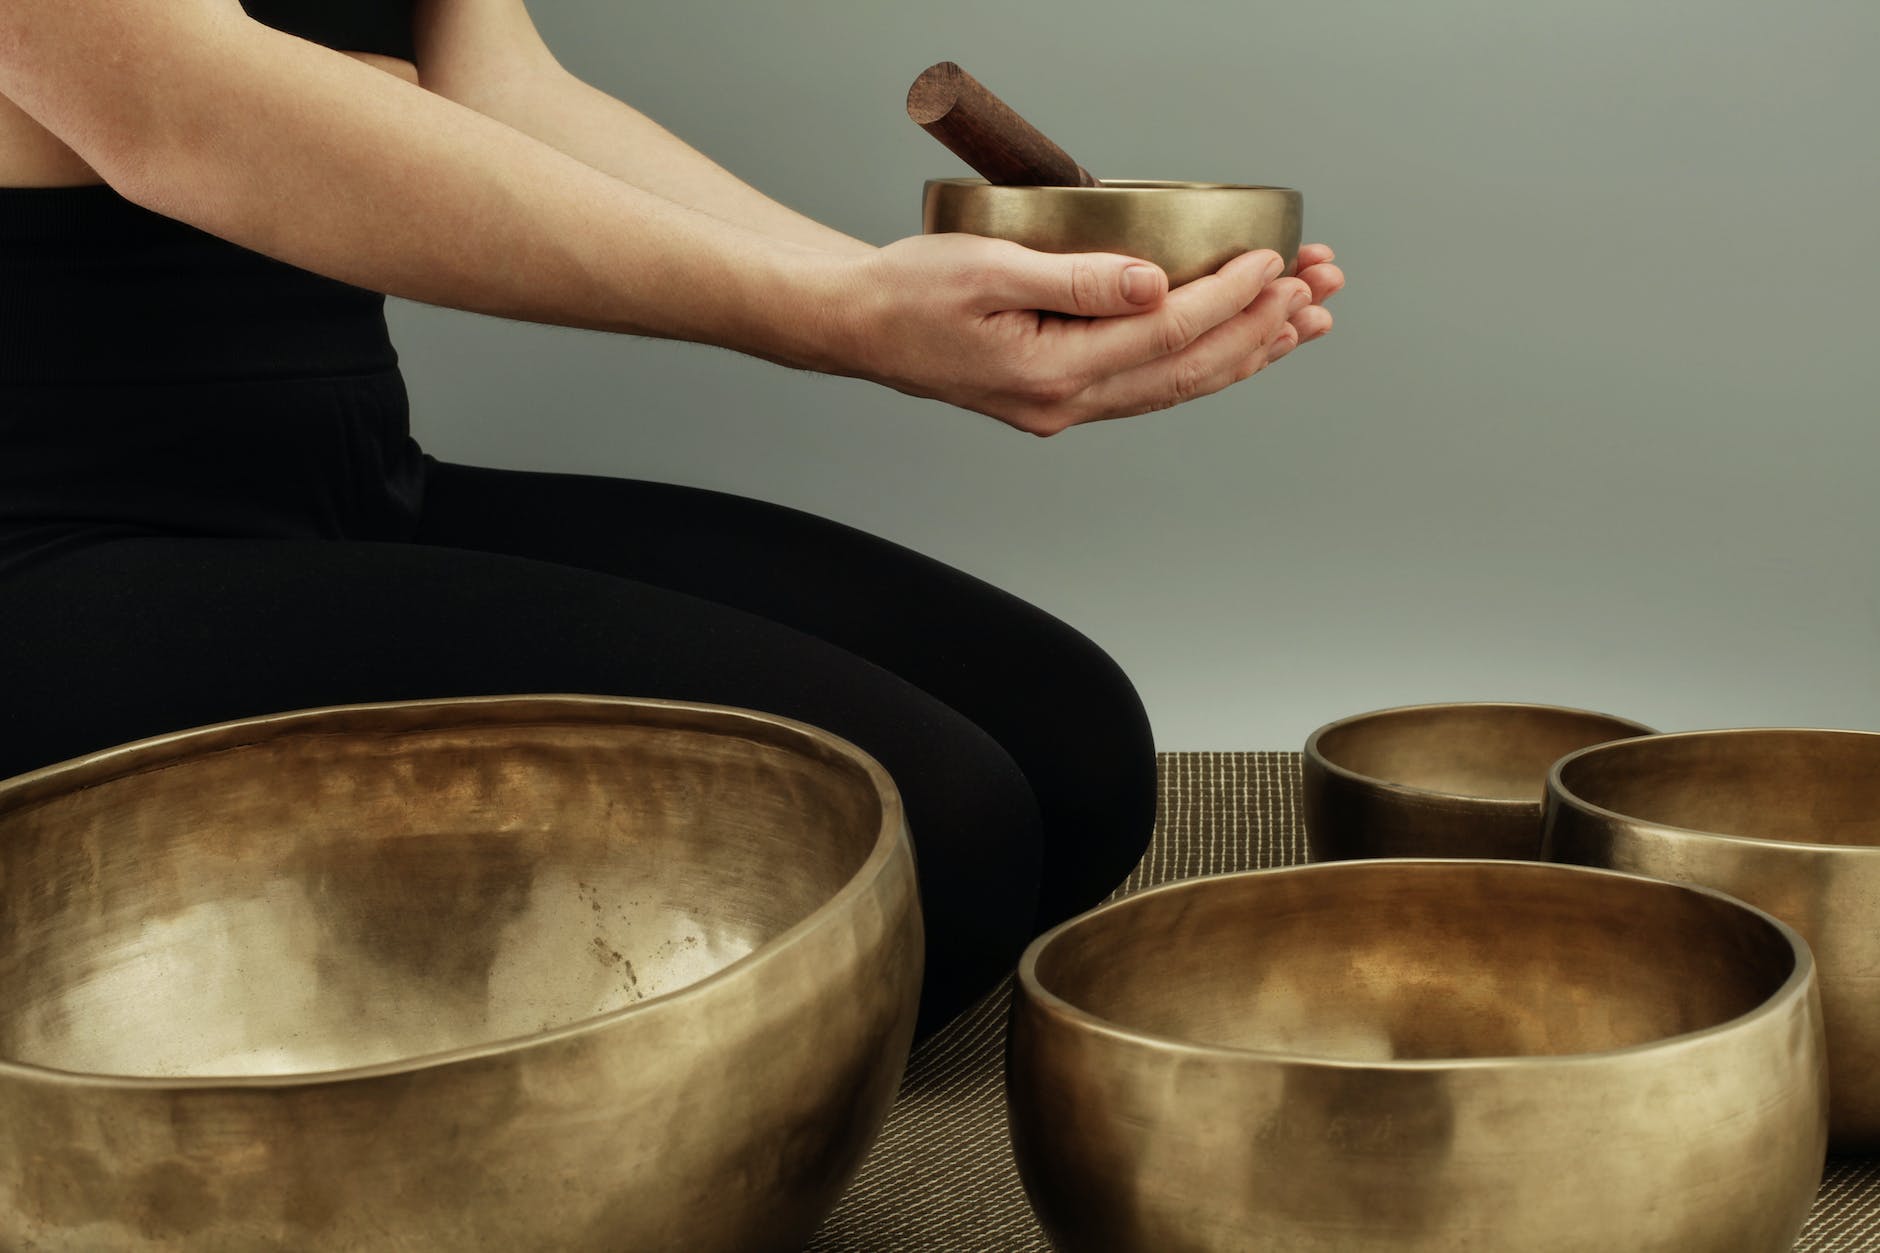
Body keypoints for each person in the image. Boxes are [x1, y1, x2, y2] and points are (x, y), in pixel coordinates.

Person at [0, 0, 1343, 1037]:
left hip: (342, 486)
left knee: (1072, 751)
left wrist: (898, 290)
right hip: (41, 542)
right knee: (934, 839)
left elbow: (490, 84)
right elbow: (183, 112)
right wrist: (837, 325)